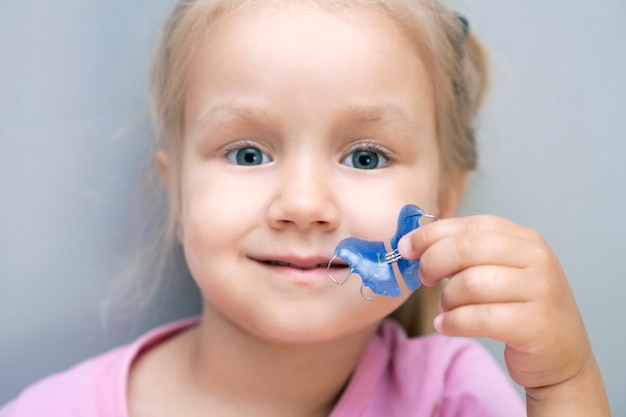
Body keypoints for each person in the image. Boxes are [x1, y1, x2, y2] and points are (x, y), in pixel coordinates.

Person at [0, 0, 611, 416]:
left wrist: (563, 384)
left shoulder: (452, 399)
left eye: (366, 157)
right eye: (246, 153)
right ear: (177, 195)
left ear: (443, 206)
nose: (303, 205)